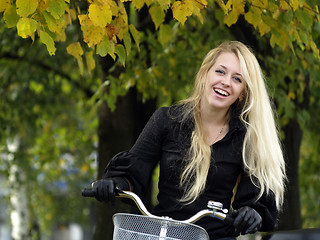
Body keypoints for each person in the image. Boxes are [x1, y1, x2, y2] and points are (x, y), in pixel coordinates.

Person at [91, 41, 286, 240]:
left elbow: (257, 199)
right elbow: (133, 172)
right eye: (220, 72)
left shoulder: (246, 137)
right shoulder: (167, 120)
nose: (226, 81)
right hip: (166, 233)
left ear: (243, 91)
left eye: (237, 79)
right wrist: (114, 183)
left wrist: (253, 213)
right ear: (205, 74)